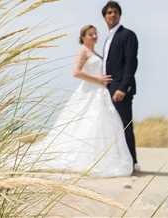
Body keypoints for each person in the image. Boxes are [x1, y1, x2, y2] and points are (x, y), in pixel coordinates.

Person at [14, 24, 133, 177]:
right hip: (89, 91)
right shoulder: (83, 51)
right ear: (83, 37)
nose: (94, 36)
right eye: (91, 34)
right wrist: (97, 79)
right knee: (88, 121)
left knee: (102, 123)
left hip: (100, 92)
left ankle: (100, 157)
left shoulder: (95, 52)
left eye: (95, 34)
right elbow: (76, 72)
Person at [101, 0, 140, 172]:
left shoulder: (128, 35)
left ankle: (132, 163)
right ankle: (119, 161)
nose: (112, 15)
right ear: (104, 17)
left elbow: (131, 63)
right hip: (107, 89)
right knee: (112, 126)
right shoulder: (108, 38)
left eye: (115, 12)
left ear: (120, 14)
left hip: (120, 89)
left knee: (125, 125)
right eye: (109, 12)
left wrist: (123, 88)